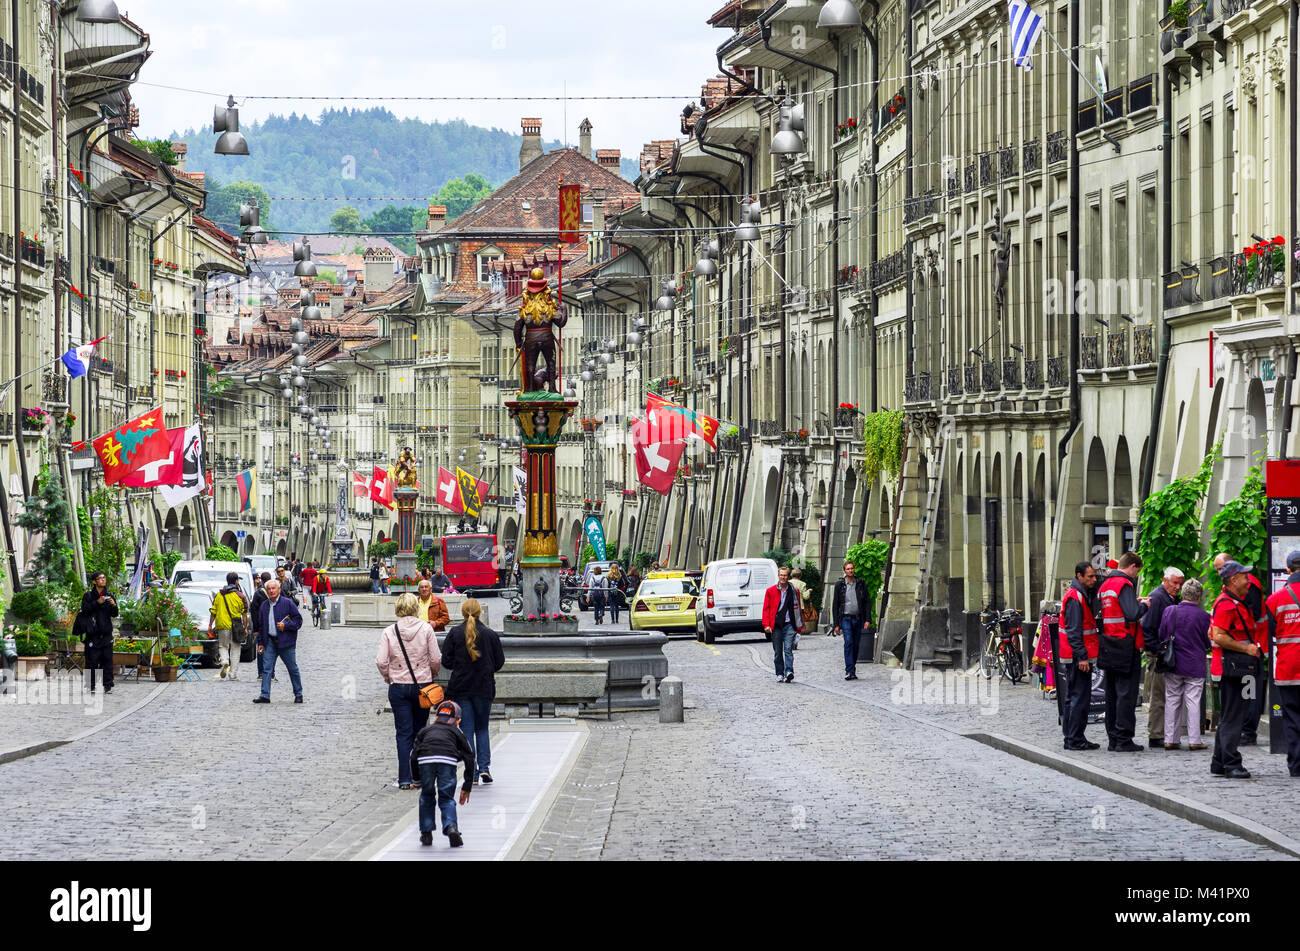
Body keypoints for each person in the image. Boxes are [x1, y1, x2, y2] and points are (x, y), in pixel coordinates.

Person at [375, 593, 440, 790]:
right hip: (423, 685)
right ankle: (419, 775)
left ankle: (404, 778)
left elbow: (381, 660)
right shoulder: (426, 629)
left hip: (399, 687)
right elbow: (436, 658)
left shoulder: (389, 631)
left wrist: (389, 676)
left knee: (403, 733)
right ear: (416, 607)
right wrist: (431, 674)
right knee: (421, 731)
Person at [1208, 561, 1263, 778]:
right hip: (1235, 667)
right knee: (1234, 715)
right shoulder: (1227, 604)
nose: (1247, 580)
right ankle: (1231, 763)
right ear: (1233, 580)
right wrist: (1246, 648)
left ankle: (1219, 762)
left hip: (1236, 667)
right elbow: (1218, 635)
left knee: (1230, 715)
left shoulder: (1231, 601)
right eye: (1244, 576)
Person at [442, 598, 504, 785]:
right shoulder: (490, 634)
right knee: (482, 728)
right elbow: (499, 662)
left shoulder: (454, 633)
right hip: (483, 687)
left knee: (466, 729)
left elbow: (446, 661)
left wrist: (460, 666)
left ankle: (472, 771)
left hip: (461, 687)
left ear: (463, 613)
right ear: (480, 613)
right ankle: (484, 767)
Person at [1097, 552, 1148, 752]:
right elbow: (1133, 614)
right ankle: (1123, 738)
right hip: (1126, 645)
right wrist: (1143, 605)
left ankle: (1113, 737)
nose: (1136, 576)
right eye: (1137, 572)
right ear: (1133, 567)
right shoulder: (1124, 584)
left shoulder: (1106, 585)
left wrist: (1134, 601)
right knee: (1126, 694)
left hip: (1109, 644)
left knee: (1112, 695)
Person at [409, 700, 475, 847]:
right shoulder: (457, 732)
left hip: (425, 760)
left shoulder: (425, 731)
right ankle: (451, 827)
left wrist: (417, 780)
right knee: (446, 798)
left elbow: (413, 756)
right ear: (458, 720)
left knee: (427, 795)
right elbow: (470, 757)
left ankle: (426, 833)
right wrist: (467, 785)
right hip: (447, 760)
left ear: (436, 717)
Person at [1158, 578, 1212, 751]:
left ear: (1182, 594)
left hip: (1173, 663)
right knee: (1193, 702)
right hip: (1195, 663)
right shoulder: (1204, 617)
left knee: (1172, 699)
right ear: (1199, 596)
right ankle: (1194, 740)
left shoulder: (1169, 611)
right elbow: (1207, 641)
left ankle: (1170, 739)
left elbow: (1162, 634)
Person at [1264, 549, 1300, 777]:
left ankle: (1296, 765)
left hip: (1288, 666)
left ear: (1287, 570)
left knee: (1292, 717)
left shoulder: (1274, 599)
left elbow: (1271, 633)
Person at [1140, 566, 1185, 748]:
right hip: (1158, 654)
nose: (1177, 587)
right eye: (1174, 583)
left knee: (1165, 694)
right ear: (1165, 580)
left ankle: (1162, 732)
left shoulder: (1169, 597)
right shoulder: (1158, 598)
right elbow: (1147, 628)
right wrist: (1157, 649)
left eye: (1180, 584)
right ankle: (1156, 734)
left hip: (1164, 652)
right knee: (1158, 695)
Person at [1060, 561, 1101, 750]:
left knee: (1073, 697)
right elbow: (1074, 630)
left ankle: (1071, 737)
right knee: (1079, 698)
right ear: (1079, 576)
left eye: (1094, 576)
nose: (1094, 579)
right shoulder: (1076, 597)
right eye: (1090, 576)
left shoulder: (1079, 595)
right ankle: (1075, 738)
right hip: (1077, 657)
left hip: (1074, 655)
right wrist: (1082, 656)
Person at [253, 578, 304, 704]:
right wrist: (260, 643)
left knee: (292, 668)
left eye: (273, 588)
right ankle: (265, 695)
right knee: (267, 669)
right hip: (269, 641)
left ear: (279, 589)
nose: (271, 591)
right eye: (269, 589)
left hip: (286, 642)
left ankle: (298, 693)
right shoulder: (264, 605)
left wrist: (286, 626)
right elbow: (261, 626)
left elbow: (298, 621)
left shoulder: (287, 603)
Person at [762, 565, 805, 683]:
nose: (783, 578)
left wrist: (799, 625)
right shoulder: (770, 591)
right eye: (781, 575)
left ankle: (789, 671)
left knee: (788, 649)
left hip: (790, 624)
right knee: (778, 651)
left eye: (785, 575)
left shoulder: (794, 590)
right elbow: (766, 608)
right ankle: (780, 673)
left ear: (788, 576)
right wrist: (766, 624)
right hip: (776, 625)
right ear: (778, 576)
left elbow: (798, 608)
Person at [79, 571, 119, 694]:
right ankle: (90, 685)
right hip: (93, 633)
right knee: (92, 660)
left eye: (104, 578)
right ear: (94, 581)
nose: (103, 580)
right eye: (100, 578)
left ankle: (107, 685)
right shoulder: (89, 596)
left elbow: (115, 614)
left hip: (106, 633)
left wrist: (113, 605)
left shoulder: (109, 595)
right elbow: (84, 610)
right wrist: (97, 602)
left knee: (107, 660)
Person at [832, 560, 872, 680]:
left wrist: (867, 619)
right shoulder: (840, 585)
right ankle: (849, 671)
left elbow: (866, 602)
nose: (850, 570)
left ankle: (852, 668)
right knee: (848, 642)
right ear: (844, 571)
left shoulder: (860, 583)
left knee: (855, 645)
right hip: (845, 618)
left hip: (858, 618)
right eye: (848, 569)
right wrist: (836, 624)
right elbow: (836, 604)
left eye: (852, 568)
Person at [209, 570, 248, 681]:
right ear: (236, 581)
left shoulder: (219, 595)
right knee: (235, 649)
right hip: (236, 625)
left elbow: (213, 611)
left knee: (223, 646)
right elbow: (244, 614)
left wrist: (210, 625)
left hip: (222, 624)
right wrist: (245, 627)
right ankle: (233, 674)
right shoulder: (240, 596)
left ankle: (225, 661)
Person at [249, 571, 273, 682]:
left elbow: (253, 612)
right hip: (273, 626)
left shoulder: (258, 593)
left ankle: (261, 673)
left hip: (261, 626)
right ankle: (271, 673)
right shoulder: (276, 592)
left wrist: (255, 629)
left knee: (261, 648)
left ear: (262, 581)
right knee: (272, 650)